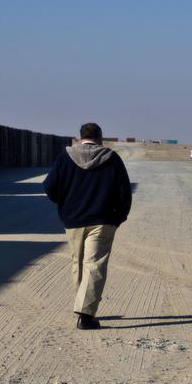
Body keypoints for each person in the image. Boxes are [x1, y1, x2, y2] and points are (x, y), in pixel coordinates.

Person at [44, 123, 132, 330]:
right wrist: (118, 218)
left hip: (73, 221)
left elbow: (49, 187)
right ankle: (85, 314)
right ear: (100, 138)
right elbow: (124, 193)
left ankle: (83, 307)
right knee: (94, 265)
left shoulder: (65, 158)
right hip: (102, 221)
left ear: (80, 137)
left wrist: (65, 206)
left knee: (79, 264)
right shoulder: (111, 159)